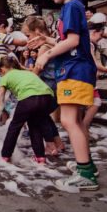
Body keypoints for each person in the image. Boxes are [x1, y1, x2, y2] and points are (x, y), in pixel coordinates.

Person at [35, 0, 98, 191]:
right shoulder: (74, 6)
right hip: (75, 68)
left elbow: (72, 42)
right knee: (77, 120)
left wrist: (46, 56)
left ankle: (85, 173)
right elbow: (71, 41)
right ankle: (87, 166)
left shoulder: (72, 7)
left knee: (68, 120)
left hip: (74, 70)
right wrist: (46, 40)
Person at [0, 56, 55, 164]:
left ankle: (5, 156)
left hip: (29, 98)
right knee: (34, 125)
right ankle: (40, 157)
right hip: (48, 98)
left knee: (14, 127)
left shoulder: (6, 76)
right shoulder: (27, 73)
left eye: (0, 72)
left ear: (2, 69)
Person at [22, 16, 65, 156]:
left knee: (38, 114)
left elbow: (36, 72)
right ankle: (58, 143)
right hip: (58, 85)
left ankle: (51, 146)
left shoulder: (44, 48)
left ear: (38, 31)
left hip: (50, 87)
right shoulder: (55, 44)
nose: (27, 39)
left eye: (28, 35)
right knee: (44, 115)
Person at [0, 13, 27, 137]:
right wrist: (25, 39)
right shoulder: (2, 36)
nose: (7, 31)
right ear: (2, 26)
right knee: (13, 100)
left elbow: (2, 50)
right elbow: (21, 42)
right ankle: (22, 129)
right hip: (2, 75)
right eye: (6, 28)